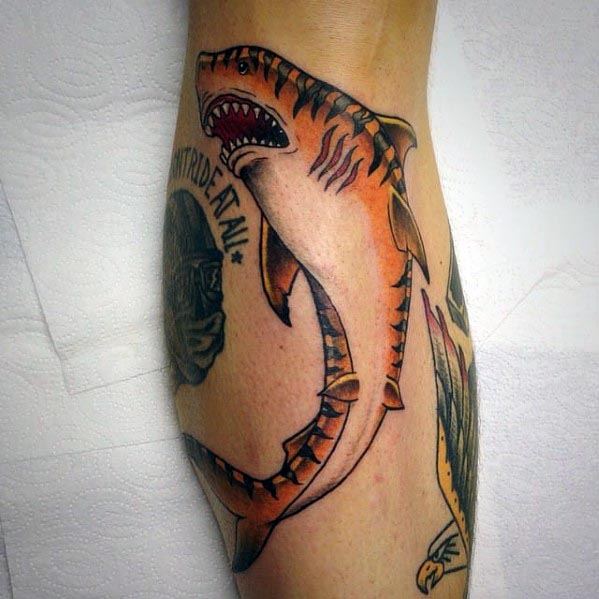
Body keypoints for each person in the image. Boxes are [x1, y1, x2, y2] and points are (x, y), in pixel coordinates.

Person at [164, 1, 477, 596]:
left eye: (247, 71)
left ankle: (267, 503)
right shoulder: (283, 185)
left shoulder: (349, 160)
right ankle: (266, 503)